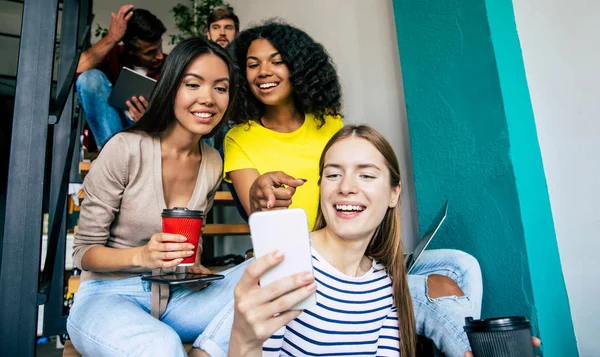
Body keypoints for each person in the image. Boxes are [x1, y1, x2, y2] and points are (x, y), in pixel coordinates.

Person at [193, 21, 483, 357]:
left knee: (457, 266)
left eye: (276, 60)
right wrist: (261, 193)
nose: (263, 71)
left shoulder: (329, 125)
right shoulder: (239, 137)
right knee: (433, 291)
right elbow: (257, 206)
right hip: (302, 256)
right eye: (253, 64)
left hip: (355, 252)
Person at [66, 37, 243, 356]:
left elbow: (192, 236)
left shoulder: (213, 161)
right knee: (159, 345)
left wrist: (193, 264)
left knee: (275, 275)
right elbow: (83, 252)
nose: (208, 99)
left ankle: (206, 351)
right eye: (193, 84)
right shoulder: (125, 148)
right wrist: (141, 256)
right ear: (171, 87)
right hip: (107, 297)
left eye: (220, 87)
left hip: (176, 297)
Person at [229, 125, 416, 356]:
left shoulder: (385, 285)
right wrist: (244, 340)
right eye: (333, 175)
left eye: (366, 175)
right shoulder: (286, 267)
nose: (346, 187)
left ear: (394, 193)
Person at [75, 5, 167, 148]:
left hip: (151, 134)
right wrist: (112, 38)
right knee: (90, 77)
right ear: (130, 51)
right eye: (150, 52)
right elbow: (77, 71)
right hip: (112, 129)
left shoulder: (169, 65)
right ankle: (113, 155)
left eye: (160, 47)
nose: (160, 55)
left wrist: (151, 120)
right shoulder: (113, 55)